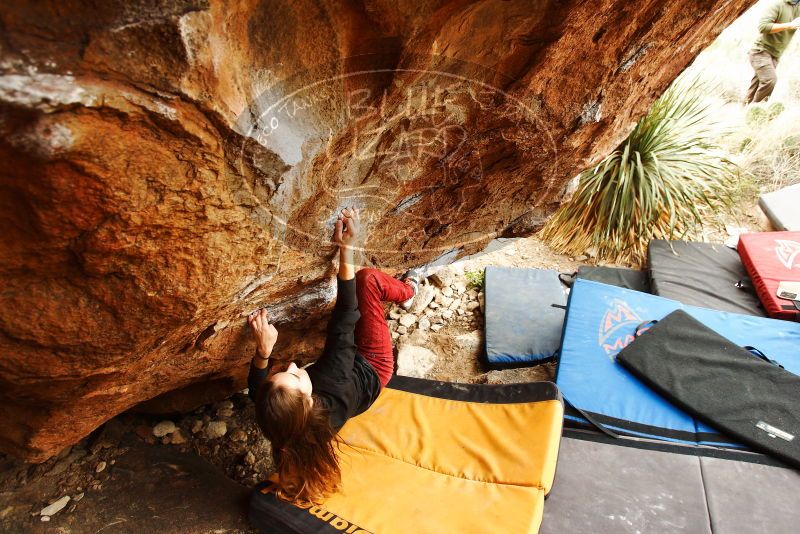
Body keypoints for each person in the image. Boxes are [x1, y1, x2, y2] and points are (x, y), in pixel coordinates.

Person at [245, 207, 419, 503]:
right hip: (372, 366)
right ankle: (411, 291)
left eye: (283, 372)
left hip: (351, 391)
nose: (294, 366)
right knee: (368, 281)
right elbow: (345, 318)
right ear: (310, 400)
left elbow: (255, 392)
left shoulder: (285, 426)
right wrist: (346, 249)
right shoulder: (331, 379)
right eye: (296, 375)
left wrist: (263, 352)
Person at [745, 0, 800, 104]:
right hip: (760, 51)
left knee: (754, 88)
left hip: (775, 56)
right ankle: (756, 112)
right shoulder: (778, 5)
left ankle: (742, 113)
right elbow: (763, 27)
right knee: (770, 80)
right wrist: (790, 25)